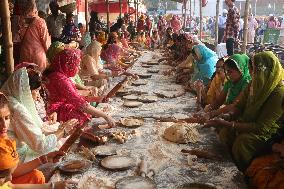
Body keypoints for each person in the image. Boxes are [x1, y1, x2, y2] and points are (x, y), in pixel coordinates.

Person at [205, 51, 284, 172]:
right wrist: (227, 116)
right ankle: (225, 166)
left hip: (267, 134)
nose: (253, 75)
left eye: (256, 72)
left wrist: (229, 124)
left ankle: (242, 174)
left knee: (242, 143)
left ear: (267, 72)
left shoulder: (279, 93)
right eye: (252, 71)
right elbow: (239, 107)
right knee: (225, 133)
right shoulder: (253, 84)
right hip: (248, 123)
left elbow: (262, 127)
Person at [1, 68, 77, 162]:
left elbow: (36, 133)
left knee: (61, 142)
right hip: (17, 158)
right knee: (61, 154)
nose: (38, 95)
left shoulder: (10, 99)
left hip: (22, 148)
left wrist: (61, 131)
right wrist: (62, 131)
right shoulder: (16, 108)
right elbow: (40, 145)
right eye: (36, 91)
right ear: (25, 91)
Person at [0, 92, 73, 188]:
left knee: (37, 176)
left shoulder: (5, 140)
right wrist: (52, 186)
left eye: (7, 118)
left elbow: (10, 175)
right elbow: (9, 185)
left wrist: (44, 159)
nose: (4, 125)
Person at [43, 48, 116, 127]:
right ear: (68, 64)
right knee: (82, 117)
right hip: (56, 112)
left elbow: (74, 98)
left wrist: (97, 99)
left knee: (86, 112)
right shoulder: (60, 78)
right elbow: (80, 103)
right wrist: (105, 116)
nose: (79, 68)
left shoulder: (59, 75)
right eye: (77, 65)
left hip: (61, 106)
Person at [18, 0, 51, 71]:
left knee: (26, 79)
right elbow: (46, 42)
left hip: (24, 56)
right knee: (38, 79)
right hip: (38, 57)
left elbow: (18, 38)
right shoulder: (40, 22)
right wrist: (49, 55)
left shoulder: (20, 21)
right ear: (34, 7)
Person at [190, 44, 218, 109]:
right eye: (193, 56)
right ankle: (201, 101)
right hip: (206, 85)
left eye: (195, 56)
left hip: (209, 86)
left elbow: (209, 81)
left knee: (198, 84)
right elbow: (197, 74)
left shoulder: (208, 64)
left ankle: (200, 102)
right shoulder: (199, 61)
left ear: (200, 54)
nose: (194, 58)